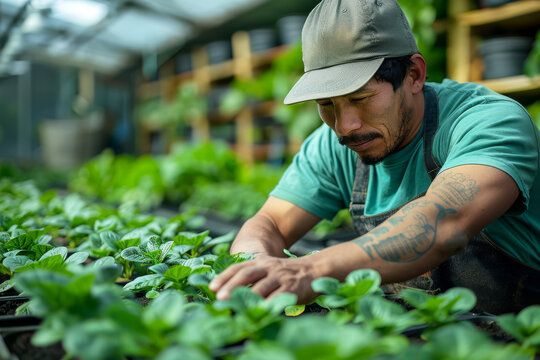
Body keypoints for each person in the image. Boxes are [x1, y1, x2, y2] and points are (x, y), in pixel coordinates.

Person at [209, 0, 540, 314]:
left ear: (414, 75)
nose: (345, 127)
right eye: (327, 105)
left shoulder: (488, 122)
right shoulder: (333, 145)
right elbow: (269, 223)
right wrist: (252, 266)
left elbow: (442, 223)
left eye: (361, 98)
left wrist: (308, 269)